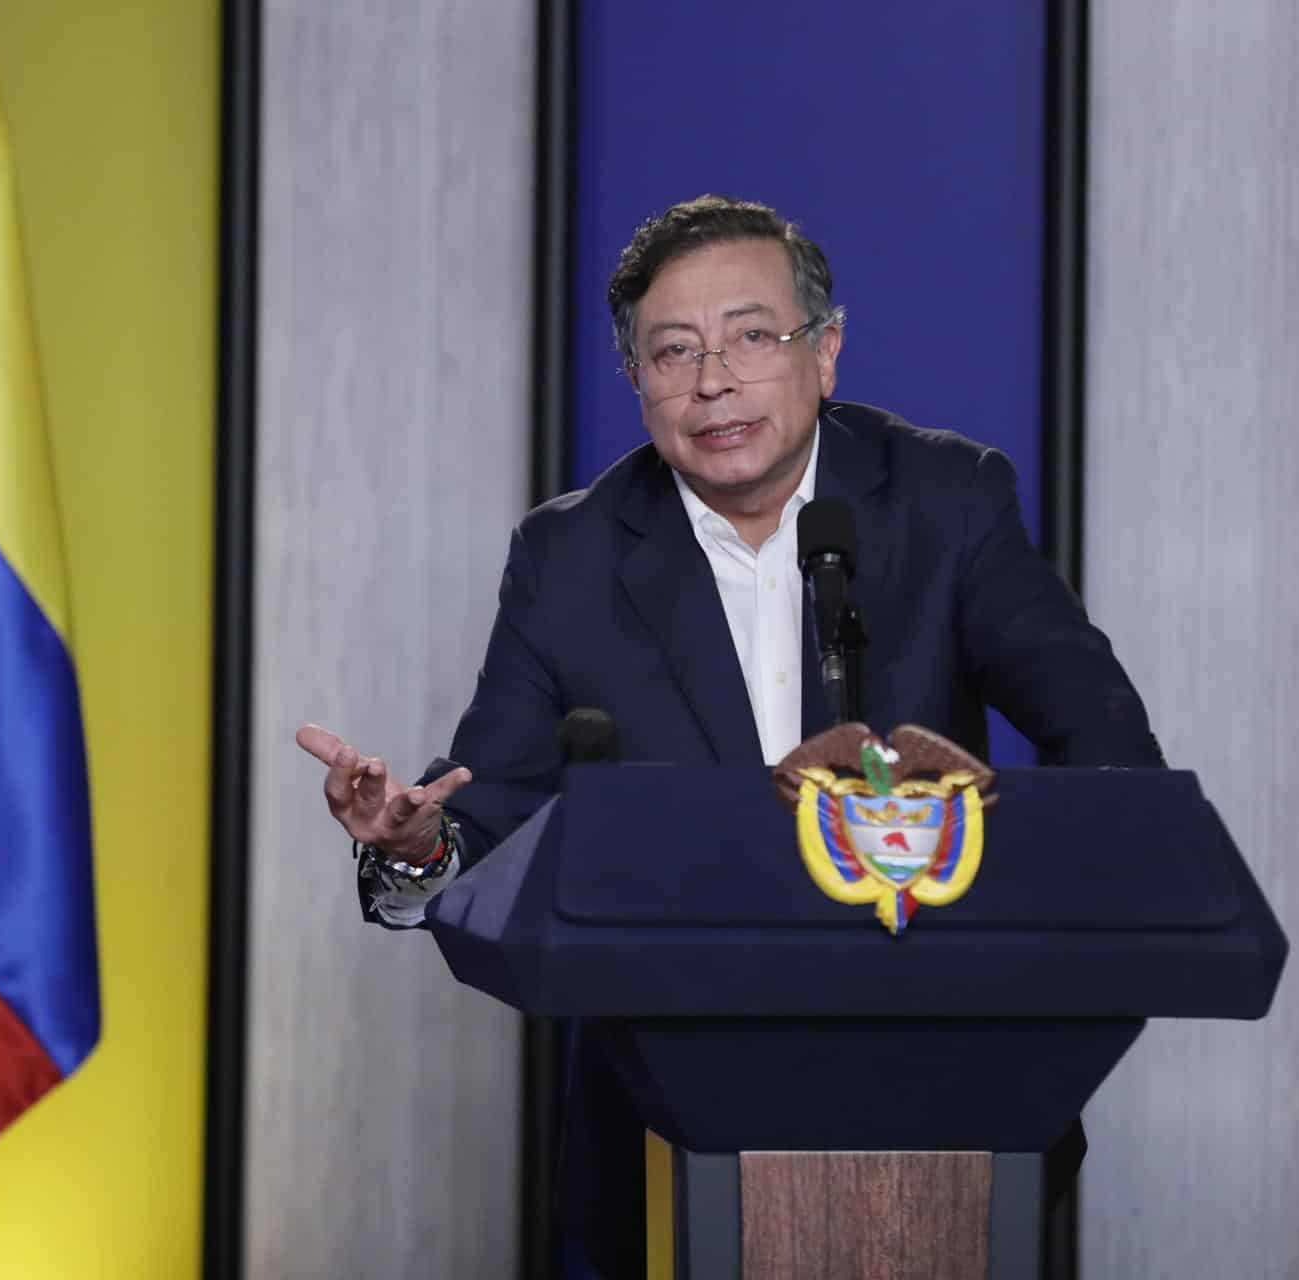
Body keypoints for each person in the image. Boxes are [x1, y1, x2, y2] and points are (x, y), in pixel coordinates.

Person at [296, 194, 1163, 1275]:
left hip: (945, 1072)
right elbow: (488, 804)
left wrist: (1052, 930)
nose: (714, 381)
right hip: (670, 1101)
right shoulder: (569, 559)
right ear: (639, 382)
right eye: (674, 352)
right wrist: (413, 840)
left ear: (826, 351)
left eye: (753, 336)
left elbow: (1103, 738)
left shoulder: (944, 498)